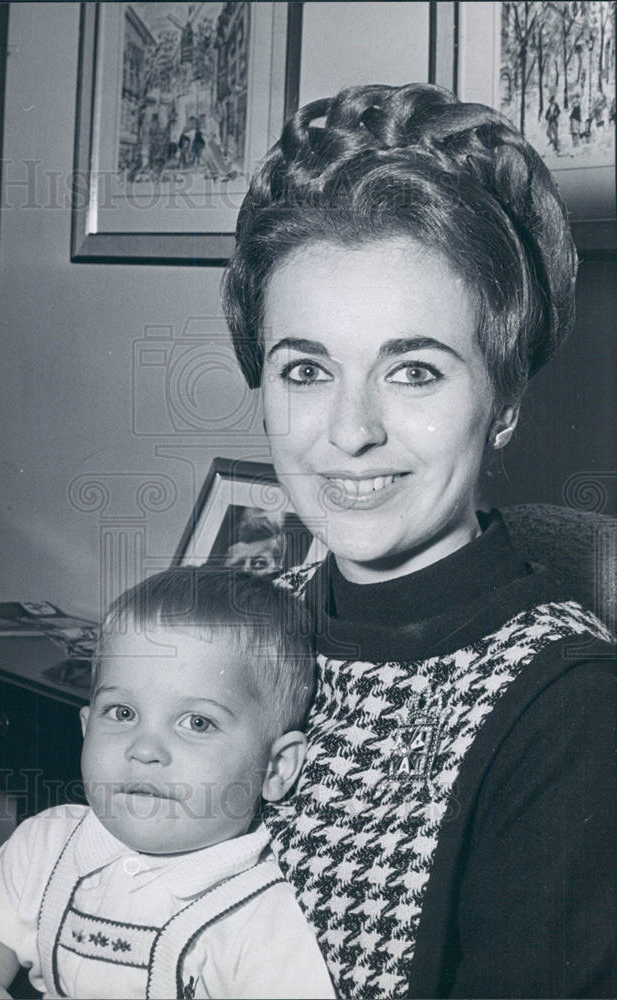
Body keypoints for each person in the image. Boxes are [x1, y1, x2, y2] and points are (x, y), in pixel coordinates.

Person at [222, 82, 616, 998]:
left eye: (413, 371)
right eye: (307, 369)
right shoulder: (249, 626)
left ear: (505, 402)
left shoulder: (565, 714)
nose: (349, 430)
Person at [0, 567, 336, 999]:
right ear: (86, 727)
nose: (144, 748)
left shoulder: (264, 918)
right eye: (122, 713)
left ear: (276, 768)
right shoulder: (43, 846)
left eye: (197, 722)